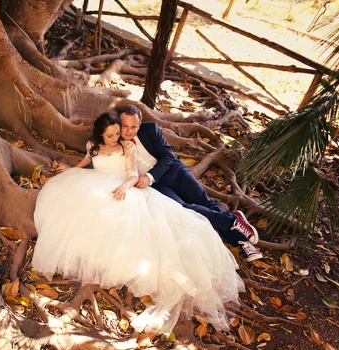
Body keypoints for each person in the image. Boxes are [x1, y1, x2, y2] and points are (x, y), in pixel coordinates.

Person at [32, 112, 244, 334]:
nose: (116, 138)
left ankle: (231, 224)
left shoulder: (127, 147)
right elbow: (85, 163)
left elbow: (133, 173)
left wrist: (125, 186)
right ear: (101, 135)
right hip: (96, 184)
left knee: (162, 219)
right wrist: (69, 171)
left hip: (125, 187)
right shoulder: (93, 146)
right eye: (111, 135)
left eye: (117, 133)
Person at [117, 105, 262, 262]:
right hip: (157, 186)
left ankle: (241, 240)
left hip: (174, 171)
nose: (129, 131)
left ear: (140, 124)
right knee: (184, 209)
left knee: (204, 201)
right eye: (125, 126)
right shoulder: (113, 139)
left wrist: (149, 176)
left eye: (134, 127)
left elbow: (168, 156)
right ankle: (233, 221)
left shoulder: (150, 129)